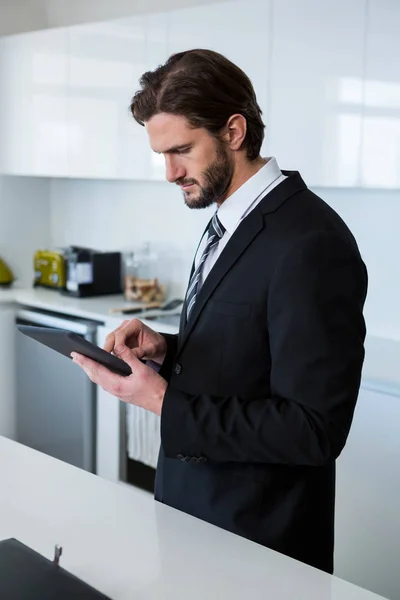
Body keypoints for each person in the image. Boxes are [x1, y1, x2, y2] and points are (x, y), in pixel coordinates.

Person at [71, 49, 368, 574]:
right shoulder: (229, 220)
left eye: (182, 150)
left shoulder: (311, 242)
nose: (169, 172)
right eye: (162, 154)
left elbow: (313, 429)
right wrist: (170, 348)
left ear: (234, 131)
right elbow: (254, 348)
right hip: (192, 517)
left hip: (257, 543)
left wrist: (164, 401)